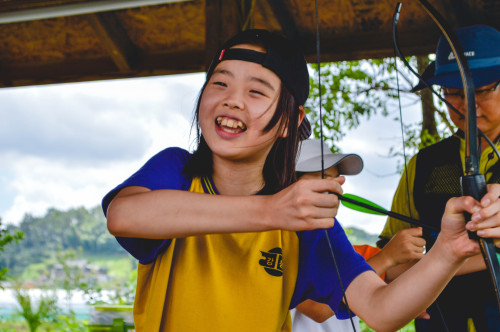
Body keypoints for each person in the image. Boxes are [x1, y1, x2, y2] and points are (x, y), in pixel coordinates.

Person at [102, 28, 500, 332]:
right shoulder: (177, 170)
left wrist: (449, 251)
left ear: (289, 123)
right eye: (219, 82)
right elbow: (124, 214)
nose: (233, 99)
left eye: (257, 91)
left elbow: (381, 309)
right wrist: (273, 209)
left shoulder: (306, 225)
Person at [377, 24, 500, 332]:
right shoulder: (424, 165)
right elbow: (390, 258)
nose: (464, 104)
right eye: (451, 93)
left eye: (481, 90)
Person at [291, 139, 427, 332]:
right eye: (323, 176)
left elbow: (411, 270)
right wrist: (387, 257)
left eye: (336, 177)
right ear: (289, 182)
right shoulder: (281, 241)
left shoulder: (344, 251)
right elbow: (317, 310)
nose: (338, 185)